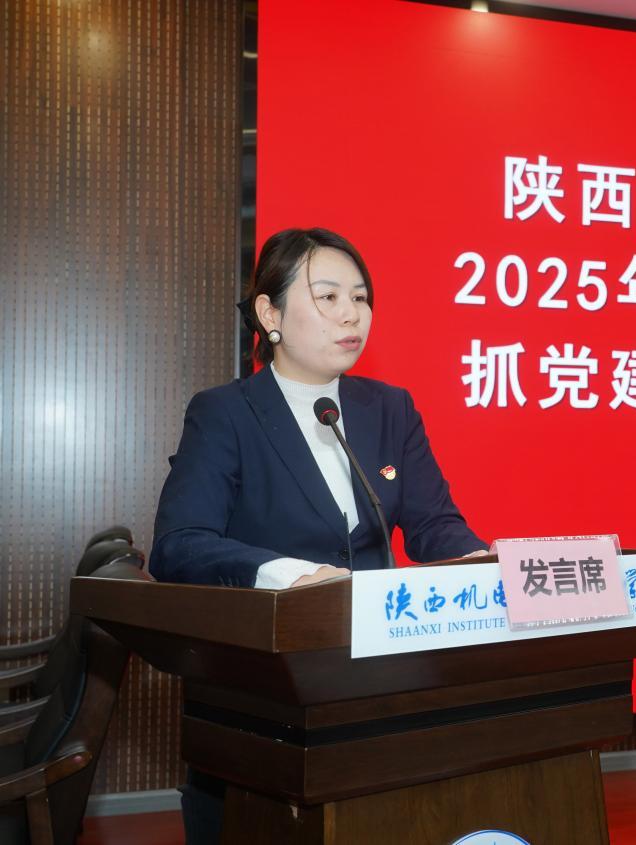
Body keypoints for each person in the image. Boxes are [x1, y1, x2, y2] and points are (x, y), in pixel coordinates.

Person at [148, 227, 486, 842]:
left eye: (360, 298)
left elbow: (434, 524)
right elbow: (180, 544)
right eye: (328, 297)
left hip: (376, 687)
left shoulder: (390, 409)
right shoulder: (225, 413)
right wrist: (292, 576)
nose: (351, 314)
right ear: (270, 314)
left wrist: (481, 562)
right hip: (261, 694)